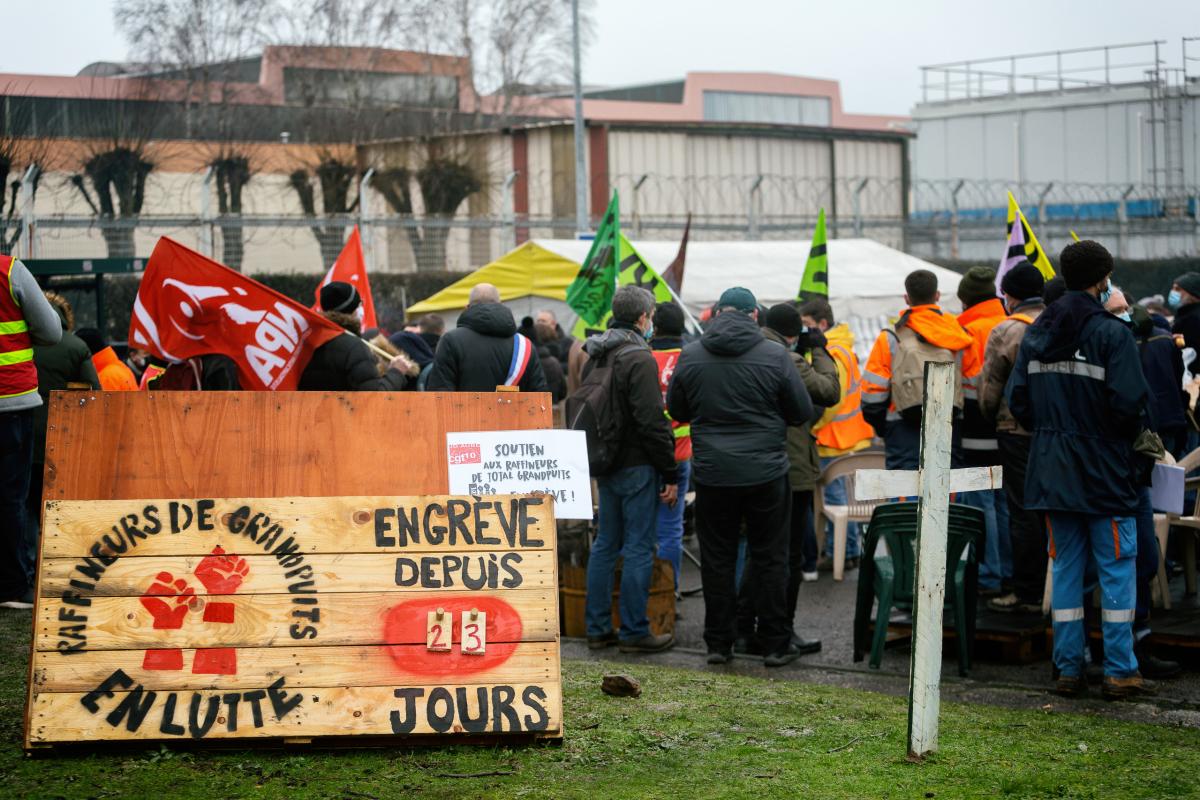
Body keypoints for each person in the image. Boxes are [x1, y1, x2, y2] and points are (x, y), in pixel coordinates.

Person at [1008, 240, 1154, 700]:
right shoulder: (1112, 334)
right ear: (1102, 279)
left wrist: (1055, 433)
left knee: (1066, 569)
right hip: (1107, 473)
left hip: (1051, 471)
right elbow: (1131, 403)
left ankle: (1068, 668)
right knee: (1115, 570)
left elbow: (1019, 404)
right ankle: (1119, 670)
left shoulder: (1036, 333)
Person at [667, 287, 815, 667]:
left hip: (714, 473)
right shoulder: (775, 354)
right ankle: (776, 643)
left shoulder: (692, 353)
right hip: (766, 472)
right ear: (754, 316)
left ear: (717, 313)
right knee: (771, 557)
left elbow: (677, 408)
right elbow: (800, 411)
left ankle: (719, 643)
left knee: (717, 557)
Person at [734, 302, 835, 655]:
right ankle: (781, 631)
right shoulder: (786, 358)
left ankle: (744, 628)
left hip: (755, 464)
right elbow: (827, 391)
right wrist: (819, 349)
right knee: (787, 557)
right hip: (790, 467)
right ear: (793, 334)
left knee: (758, 554)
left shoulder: (749, 351)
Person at [582, 286, 678, 654]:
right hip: (637, 463)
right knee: (639, 546)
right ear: (643, 318)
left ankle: (597, 627)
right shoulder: (639, 357)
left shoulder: (598, 353)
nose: (652, 322)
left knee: (606, 543)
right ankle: (635, 630)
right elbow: (652, 421)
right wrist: (669, 471)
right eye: (651, 316)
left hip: (605, 461)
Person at [978, 262, 1047, 613]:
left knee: (1022, 511)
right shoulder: (1057, 323)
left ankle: (1026, 591)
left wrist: (991, 417)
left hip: (1016, 431)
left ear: (1010, 296)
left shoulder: (1007, 331)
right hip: (1056, 432)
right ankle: (1056, 587)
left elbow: (989, 388)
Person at [862, 269, 976, 470]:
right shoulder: (959, 335)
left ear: (907, 298)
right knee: (947, 492)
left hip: (902, 429)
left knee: (904, 494)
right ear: (937, 296)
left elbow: (873, 396)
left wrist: (886, 428)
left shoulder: (891, 338)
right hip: (948, 426)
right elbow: (970, 386)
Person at [24, 292, 99, 586]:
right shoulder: (76, 346)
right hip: (65, 440)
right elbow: (95, 393)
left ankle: (29, 570)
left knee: (24, 506)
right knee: (62, 505)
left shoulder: (20, 343)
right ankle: (65, 566)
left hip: (23, 434)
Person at [0, 255, 62, 609]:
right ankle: (11, 586)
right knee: (11, 498)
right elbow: (51, 331)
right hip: (12, 402)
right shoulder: (10, 270)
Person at [798, 297, 876, 572]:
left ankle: (841, 552)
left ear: (822, 323)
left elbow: (831, 400)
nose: (804, 330)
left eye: (807, 324)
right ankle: (847, 551)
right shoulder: (844, 347)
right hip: (846, 435)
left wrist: (810, 427)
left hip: (832, 437)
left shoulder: (834, 351)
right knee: (837, 498)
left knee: (834, 499)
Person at [957, 266, 1011, 597]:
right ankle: (1007, 569)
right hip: (1011, 430)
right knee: (1005, 502)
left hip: (976, 430)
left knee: (981, 502)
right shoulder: (1012, 324)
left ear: (965, 299)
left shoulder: (964, 331)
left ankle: (988, 576)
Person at [426, 283, 549, 393]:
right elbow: (539, 397)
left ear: (467, 307)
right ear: (500, 305)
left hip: (464, 418)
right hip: (513, 419)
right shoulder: (525, 345)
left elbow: (439, 394)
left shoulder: (450, 341)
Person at [648, 302, 692, 591]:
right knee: (670, 529)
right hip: (680, 453)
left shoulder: (642, 358)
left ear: (655, 326)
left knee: (640, 530)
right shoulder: (690, 358)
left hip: (647, 452)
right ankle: (668, 591)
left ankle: (644, 594)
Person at [299, 281, 413, 391]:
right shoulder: (354, 347)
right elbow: (373, 397)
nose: (362, 310)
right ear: (351, 309)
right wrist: (396, 372)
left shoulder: (308, 342)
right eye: (360, 304)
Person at [535, 309, 576, 373]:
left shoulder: (567, 343)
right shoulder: (533, 342)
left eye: (543, 321)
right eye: (538, 321)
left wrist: (551, 365)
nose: (539, 324)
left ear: (553, 324)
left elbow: (571, 366)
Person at [1168, 272, 1200, 352]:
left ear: (1193, 295)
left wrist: (1175, 341)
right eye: (1173, 288)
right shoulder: (1183, 313)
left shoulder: (1194, 319)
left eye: (1178, 289)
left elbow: (1189, 345)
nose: (1173, 292)